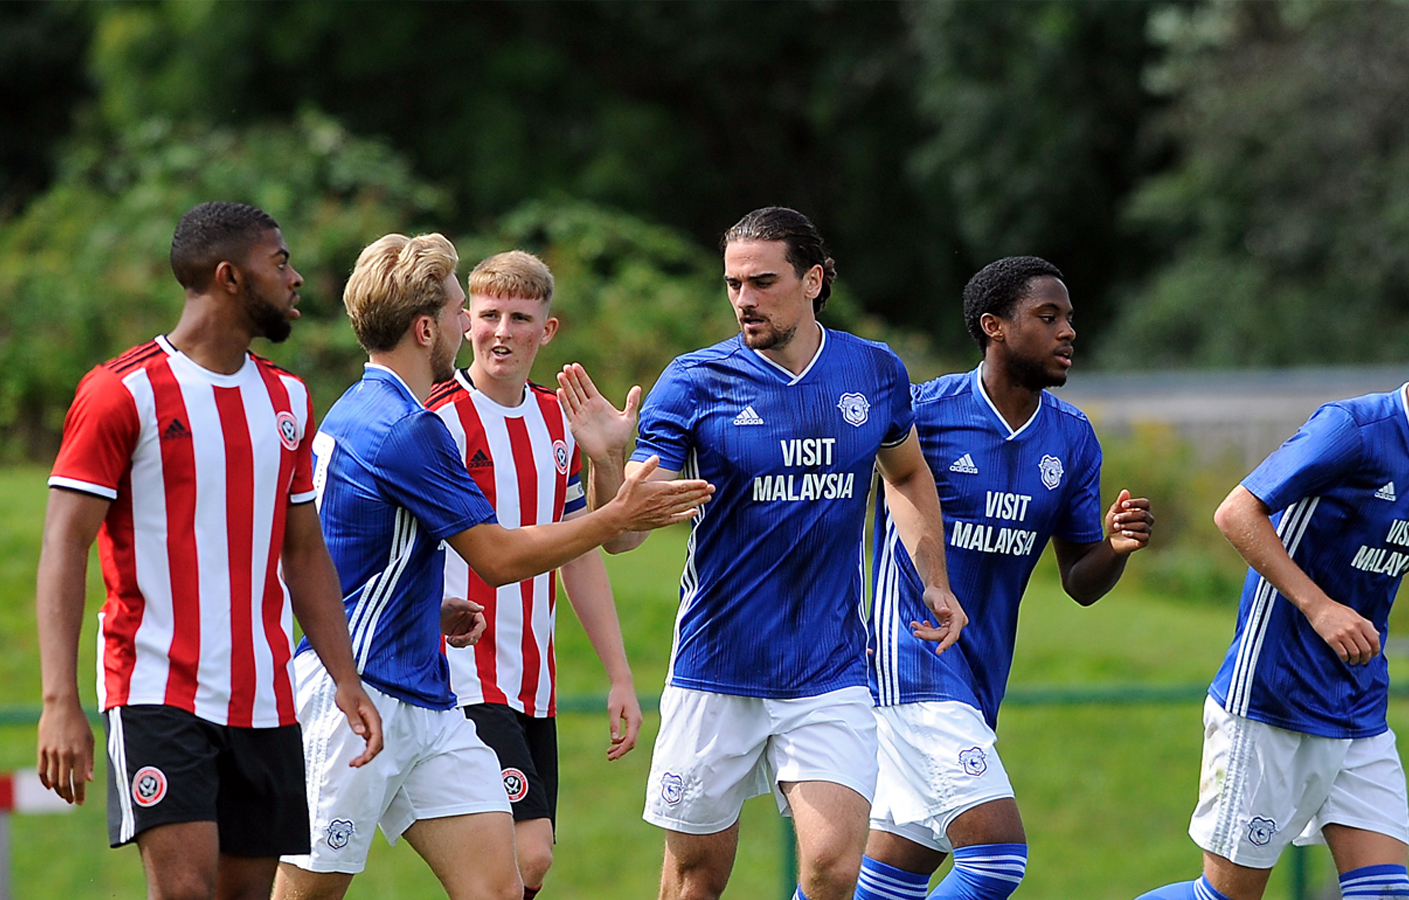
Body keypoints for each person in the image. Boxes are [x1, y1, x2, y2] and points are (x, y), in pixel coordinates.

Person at [273, 233, 712, 900]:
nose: (469, 325)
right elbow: (497, 558)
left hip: (425, 695)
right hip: (358, 693)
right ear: (427, 329)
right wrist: (613, 516)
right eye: (460, 311)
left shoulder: (376, 410)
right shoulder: (407, 428)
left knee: (502, 884)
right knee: (308, 892)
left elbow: (348, 550)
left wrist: (423, 607)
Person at [557, 206, 966, 900]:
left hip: (830, 669)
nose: (744, 299)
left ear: (813, 280)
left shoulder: (872, 371)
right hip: (717, 669)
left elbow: (905, 473)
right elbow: (625, 534)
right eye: (732, 284)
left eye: (762, 281)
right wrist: (606, 463)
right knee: (695, 882)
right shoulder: (692, 382)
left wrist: (935, 578)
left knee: (833, 869)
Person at [35, 201, 384, 900]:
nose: (297, 279)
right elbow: (64, 544)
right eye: (279, 263)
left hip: (266, 696)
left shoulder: (287, 399)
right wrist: (59, 701)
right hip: (157, 690)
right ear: (229, 276)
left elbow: (305, 550)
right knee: (185, 891)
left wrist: (345, 677)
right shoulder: (120, 393)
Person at [1135, 289, 1409, 900]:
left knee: (1385, 894)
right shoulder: (1351, 429)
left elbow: (1367, 549)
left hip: (1359, 707)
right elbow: (1236, 513)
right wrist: (1318, 607)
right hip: (1274, 698)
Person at [852, 256, 1154, 900]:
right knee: (995, 861)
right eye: (1048, 317)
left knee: (882, 885)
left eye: (1069, 318)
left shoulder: (1072, 439)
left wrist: (1116, 548)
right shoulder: (923, 415)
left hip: (979, 678)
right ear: (994, 326)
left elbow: (1079, 579)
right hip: (911, 659)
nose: (1068, 331)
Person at [424, 249, 643, 897]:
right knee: (528, 853)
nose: (502, 331)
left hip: (532, 680)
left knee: (516, 869)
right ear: (464, 322)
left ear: (546, 330)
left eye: (521, 317)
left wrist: (620, 675)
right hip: (460, 675)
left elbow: (598, 545)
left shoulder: (559, 420)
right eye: (488, 314)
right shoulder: (437, 417)